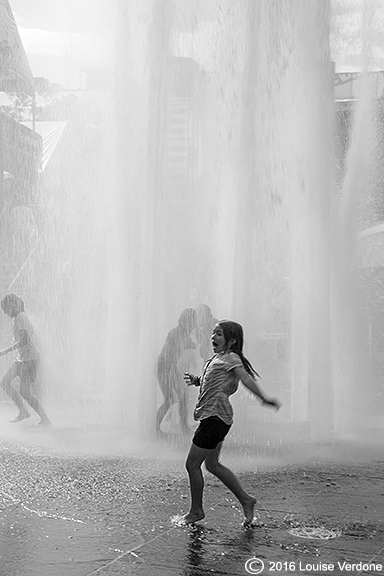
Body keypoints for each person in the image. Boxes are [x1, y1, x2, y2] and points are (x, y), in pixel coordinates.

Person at [182, 320, 280, 525]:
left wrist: (263, 398)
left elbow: (245, 379)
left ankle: (196, 511)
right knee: (212, 465)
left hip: (214, 419)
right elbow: (214, 379)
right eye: (213, 333)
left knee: (192, 464)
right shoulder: (218, 359)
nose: (213, 337)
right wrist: (197, 380)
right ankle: (246, 500)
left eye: (218, 334)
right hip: (217, 418)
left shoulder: (232, 358)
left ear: (231, 340)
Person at [0, 293, 50, 426]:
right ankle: (23, 412)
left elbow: (24, 340)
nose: (5, 313)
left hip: (30, 358)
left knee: (25, 392)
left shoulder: (21, 317)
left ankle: (45, 419)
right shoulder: (18, 318)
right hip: (22, 358)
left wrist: (4, 351)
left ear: (13, 304)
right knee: (4, 382)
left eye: (6, 309)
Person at [156, 308, 198, 436]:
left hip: (171, 367)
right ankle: (156, 429)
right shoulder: (176, 333)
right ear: (185, 321)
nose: (193, 324)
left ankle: (184, 425)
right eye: (191, 320)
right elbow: (170, 352)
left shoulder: (183, 333)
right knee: (169, 399)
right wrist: (187, 345)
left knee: (183, 396)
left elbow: (192, 344)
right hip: (164, 366)